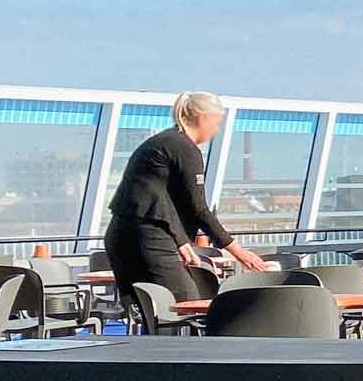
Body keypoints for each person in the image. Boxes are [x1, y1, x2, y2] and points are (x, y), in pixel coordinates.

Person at [103, 91, 268, 299]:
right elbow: (198, 208)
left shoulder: (163, 142)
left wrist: (181, 241)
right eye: (217, 124)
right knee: (185, 306)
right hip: (149, 240)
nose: (216, 131)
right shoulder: (184, 148)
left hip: (122, 235)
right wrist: (240, 253)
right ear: (202, 117)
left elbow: (158, 200)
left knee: (150, 311)